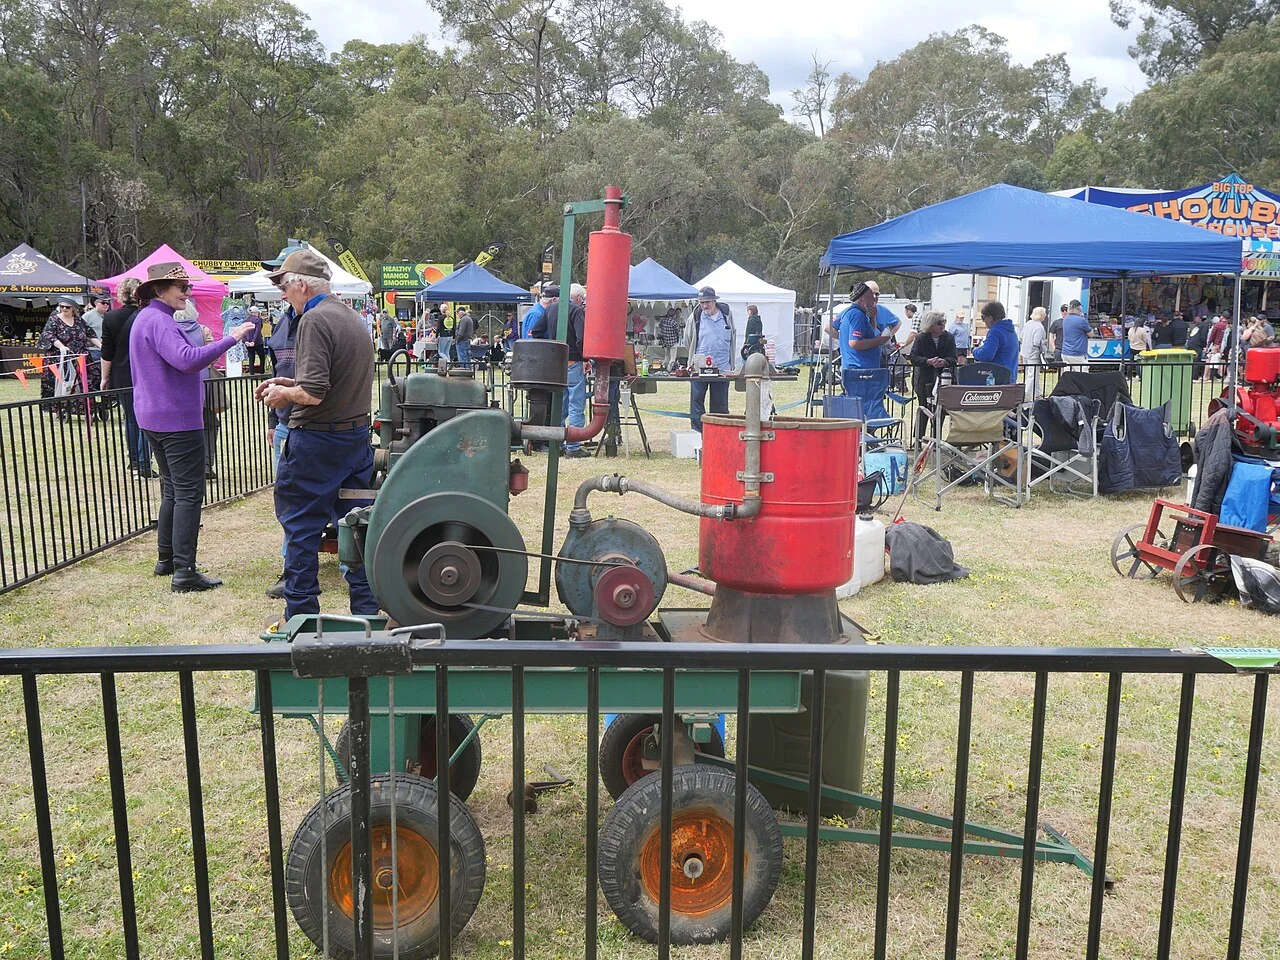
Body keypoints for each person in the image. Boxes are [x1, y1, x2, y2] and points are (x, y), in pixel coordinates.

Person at [256, 249, 377, 621]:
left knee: (301, 529)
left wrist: (284, 393)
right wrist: (292, 383)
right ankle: (368, 613)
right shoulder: (352, 318)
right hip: (354, 440)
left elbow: (313, 393)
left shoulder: (313, 319)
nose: (282, 294)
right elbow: (331, 381)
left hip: (316, 444)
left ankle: (302, 617)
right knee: (357, 530)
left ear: (301, 285)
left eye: (283, 286)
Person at [129, 262, 253, 591]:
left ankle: (167, 560)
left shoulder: (147, 318)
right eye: (182, 287)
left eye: (189, 287)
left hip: (154, 417)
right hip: (177, 419)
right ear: (159, 290)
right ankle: (184, 571)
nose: (188, 293)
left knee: (172, 489)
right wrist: (231, 338)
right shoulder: (160, 321)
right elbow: (188, 360)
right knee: (187, 493)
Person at [263, 303, 299, 599]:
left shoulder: (318, 320)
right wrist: (273, 421)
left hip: (314, 425)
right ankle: (291, 569)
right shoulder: (282, 322)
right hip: (286, 424)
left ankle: (354, 570)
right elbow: (277, 373)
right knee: (287, 500)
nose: (280, 287)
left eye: (283, 282)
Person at [100, 278, 152, 476]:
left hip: (122, 374)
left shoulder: (110, 317)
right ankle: (144, 463)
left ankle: (135, 462)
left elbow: (107, 352)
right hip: (145, 373)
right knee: (145, 419)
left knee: (130, 418)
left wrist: (104, 377)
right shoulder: (148, 315)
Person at [684, 285, 736, 432]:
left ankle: (719, 434)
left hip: (722, 368)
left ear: (714, 301)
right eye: (702, 302)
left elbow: (733, 336)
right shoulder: (694, 317)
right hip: (699, 369)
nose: (704, 305)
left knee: (720, 405)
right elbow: (687, 340)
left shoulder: (726, 315)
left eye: (707, 302)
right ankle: (698, 433)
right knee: (696, 402)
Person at [38, 296, 101, 417]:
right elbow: (49, 335)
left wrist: (100, 346)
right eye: (62, 306)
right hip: (60, 357)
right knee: (63, 384)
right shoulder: (54, 319)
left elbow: (90, 334)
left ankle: (87, 407)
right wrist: (61, 346)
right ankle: (60, 408)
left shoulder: (79, 320)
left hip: (79, 356)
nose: (64, 309)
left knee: (86, 382)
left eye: (67, 307)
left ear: (73, 308)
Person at [836, 281, 897, 385]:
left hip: (859, 371)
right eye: (871, 296)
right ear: (862, 299)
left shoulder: (855, 314)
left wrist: (873, 319)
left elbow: (867, 335)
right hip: (860, 372)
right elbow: (855, 343)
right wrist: (878, 341)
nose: (874, 299)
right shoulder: (857, 315)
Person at [909, 310, 956, 441]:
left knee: (940, 411)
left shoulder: (949, 337)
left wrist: (944, 361)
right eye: (939, 323)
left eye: (944, 322)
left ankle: (936, 441)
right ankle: (918, 440)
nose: (943, 325)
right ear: (930, 324)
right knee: (923, 408)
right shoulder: (921, 337)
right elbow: (913, 357)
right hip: (924, 379)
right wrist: (928, 361)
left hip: (943, 379)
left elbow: (954, 358)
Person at [562, 283, 589, 457]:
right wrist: (585, 358)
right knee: (576, 405)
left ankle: (557, 443)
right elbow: (581, 339)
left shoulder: (552, 309)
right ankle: (573, 446)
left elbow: (538, 332)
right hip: (573, 362)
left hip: (556, 362)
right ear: (578, 298)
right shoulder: (576, 311)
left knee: (561, 405)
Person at [972, 300, 1019, 382]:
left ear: (990, 318)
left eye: (983, 317)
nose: (983, 321)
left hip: (996, 378)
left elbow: (986, 355)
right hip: (1010, 377)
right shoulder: (1011, 331)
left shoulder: (995, 332)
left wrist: (975, 351)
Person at [1019, 306, 1050, 399]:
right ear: (1040, 315)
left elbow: (1021, 336)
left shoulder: (1028, 323)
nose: (1045, 315)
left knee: (1030, 374)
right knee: (1032, 375)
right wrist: (1045, 342)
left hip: (1025, 352)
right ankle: (1026, 394)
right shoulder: (1039, 327)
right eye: (1044, 314)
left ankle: (1037, 394)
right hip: (1033, 354)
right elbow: (1036, 342)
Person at [1059, 299, 1091, 370]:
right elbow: (1091, 334)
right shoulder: (1082, 320)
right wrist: (1083, 317)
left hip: (1065, 352)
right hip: (1078, 353)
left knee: (1068, 373)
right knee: (1082, 374)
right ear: (1079, 309)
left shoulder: (1065, 320)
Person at [82, 293, 110, 362]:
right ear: (96, 303)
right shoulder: (87, 316)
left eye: (107, 303)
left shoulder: (109, 316)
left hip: (107, 350)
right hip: (93, 350)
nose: (106, 305)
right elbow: (82, 333)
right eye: (103, 303)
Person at [242, 305, 266, 374]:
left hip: (248, 342)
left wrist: (245, 341)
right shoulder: (258, 320)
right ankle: (261, 373)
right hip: (258, 342)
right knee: (262, 357)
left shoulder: (246, 320)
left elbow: (243, 331)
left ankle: (252, 374)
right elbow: (257, 331)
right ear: (256, 312)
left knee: (251, 358)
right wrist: (253, 341)